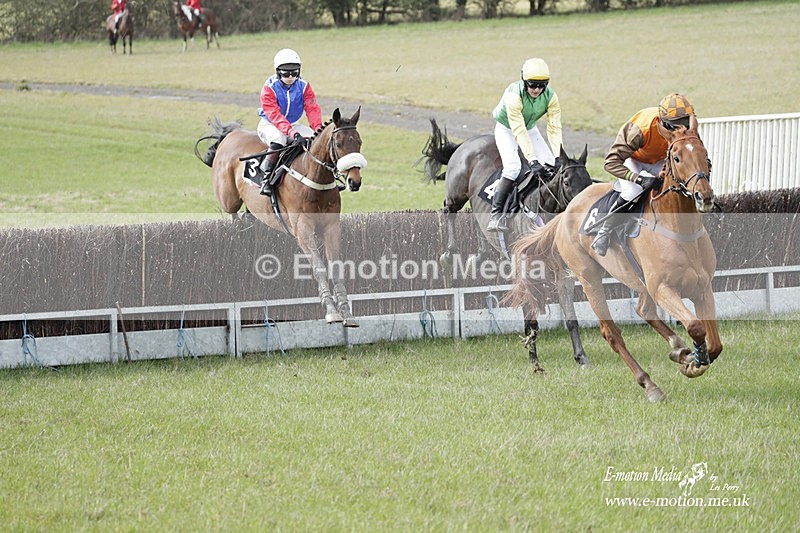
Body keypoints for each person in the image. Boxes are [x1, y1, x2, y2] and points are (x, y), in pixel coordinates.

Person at [591, 92, 695, 256]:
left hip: (660, 159)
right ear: (664, 123)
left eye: (685, 125)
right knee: (633, 191)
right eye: (676, 127)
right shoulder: (641, 129)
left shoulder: (686, 126)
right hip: (633, 159)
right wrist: (639, 179)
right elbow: (610, 162)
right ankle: (604, 232)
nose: (681, 130)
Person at [487, 57, 563, 232]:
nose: (536, 89)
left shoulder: (551, 96)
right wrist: (532, 160)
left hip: (530, 128)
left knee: (551, 165)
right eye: (532, 84)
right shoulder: (514, 95)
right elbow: (518, 129)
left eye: (541, 85)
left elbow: (554, 127)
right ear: (523, 81)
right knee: (513, 168)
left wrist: (559, 155)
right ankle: (496, 216)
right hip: (507, 128)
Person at [256, 48, 323, 196]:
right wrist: (293, 133)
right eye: (286, 73)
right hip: (270, 124)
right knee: (279, 139)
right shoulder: (269, 88)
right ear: (278, 71)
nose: (291, 76)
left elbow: (312, 109)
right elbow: (275, 115)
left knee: (315, 139)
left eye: (295, 72)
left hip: (293, 124)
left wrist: (318, 129)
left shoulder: (304, 86)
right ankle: (266, 179)